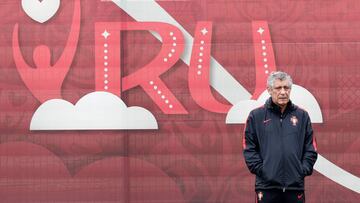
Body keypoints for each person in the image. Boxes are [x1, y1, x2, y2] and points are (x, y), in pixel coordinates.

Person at [243, 71, 318, 203]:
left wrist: (302, 170)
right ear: (269, 90)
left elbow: (311, 148)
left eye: (286, 88)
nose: (283, 92)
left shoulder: (302, 116)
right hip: (266, 187)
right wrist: (264, 171)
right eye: (278, 88)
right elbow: (249, 148)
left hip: (294, 187)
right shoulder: (256, 116)